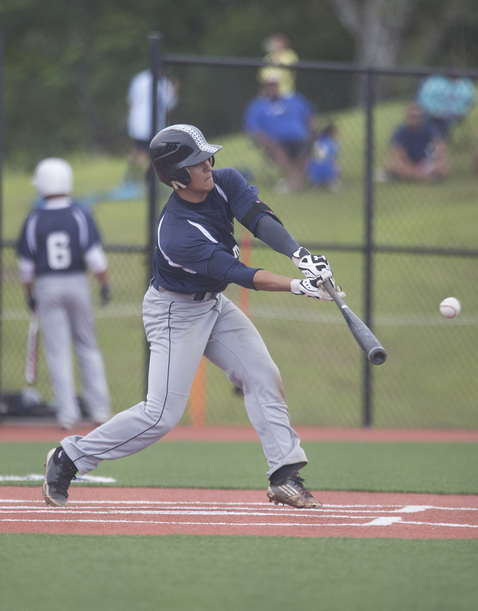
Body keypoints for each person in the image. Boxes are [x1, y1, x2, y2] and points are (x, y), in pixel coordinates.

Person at [42, 124, 345, 510]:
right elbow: (240, 274)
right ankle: (69, 458)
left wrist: (300, 256)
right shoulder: (177, 234)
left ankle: (283, 475)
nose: (207, 165)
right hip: (174, 312)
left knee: (262, 374)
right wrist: (299, 286)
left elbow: (258, 217)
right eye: (195, 162)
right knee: (160, 416)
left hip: (212, 305)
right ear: (175, 178)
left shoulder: (226, 181)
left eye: (206, 157)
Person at [17, 158, 112, 430]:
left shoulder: (34, 218)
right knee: (87, 345)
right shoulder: (80, 214)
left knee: (57, 351)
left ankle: (67, 415)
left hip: (47, 285)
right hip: (77, 282)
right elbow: (96, 258)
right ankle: (100, 410)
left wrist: (30, 295)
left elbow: (26, 268)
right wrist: (105, 285)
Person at [244, 69, 317, 193]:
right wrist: (265, 140)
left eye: (274, 84)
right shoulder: (257, 106)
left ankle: (297, 181)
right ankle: (295, 180)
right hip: (276, 142)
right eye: (269, 85)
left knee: (308, 144)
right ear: (263, 86)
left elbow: (309, 115)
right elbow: (253, 129)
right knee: (275, 148)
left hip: (299, 138)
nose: (272, 88)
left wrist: (312, 130)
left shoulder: (293, 99)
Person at [121, 67, 179, 187]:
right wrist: (174, 93)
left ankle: (130, 177)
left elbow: (130, 102)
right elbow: (170, 105)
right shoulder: (160, 82)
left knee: (139, 150)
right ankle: (149, 175)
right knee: (142, 150)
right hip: (144, 123)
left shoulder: (141, 79)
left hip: (143, 123)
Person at [383, 102, 450, 182]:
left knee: (443, 167)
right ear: (407, 117)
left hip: (425, 162)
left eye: (418, 116)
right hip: (408, 163)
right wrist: (411, 169)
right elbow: (398, 153)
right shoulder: (401, 131)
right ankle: (424, 178)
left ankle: (411, 177)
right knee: (390, 165)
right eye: (413, 117)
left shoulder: (429, 129)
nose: (415, 119)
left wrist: (441, 161)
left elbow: (439, 146)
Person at [416, 73, 476, 139]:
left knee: (446, 127)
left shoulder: (464, 86)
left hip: (451, 118)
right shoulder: (435, 83)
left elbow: (470, 101)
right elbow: (423, 100)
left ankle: (440, 142)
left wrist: (457, 113)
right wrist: (436, 112)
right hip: (431, 115)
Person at [306, 123, 341, 191]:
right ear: (332, 133)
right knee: (337, 165)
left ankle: (315, 183)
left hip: (313, 176)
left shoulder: (315, 141)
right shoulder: (332, 143)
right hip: (329, 175)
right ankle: (333, 181)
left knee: (311, 161)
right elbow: (334, 158)